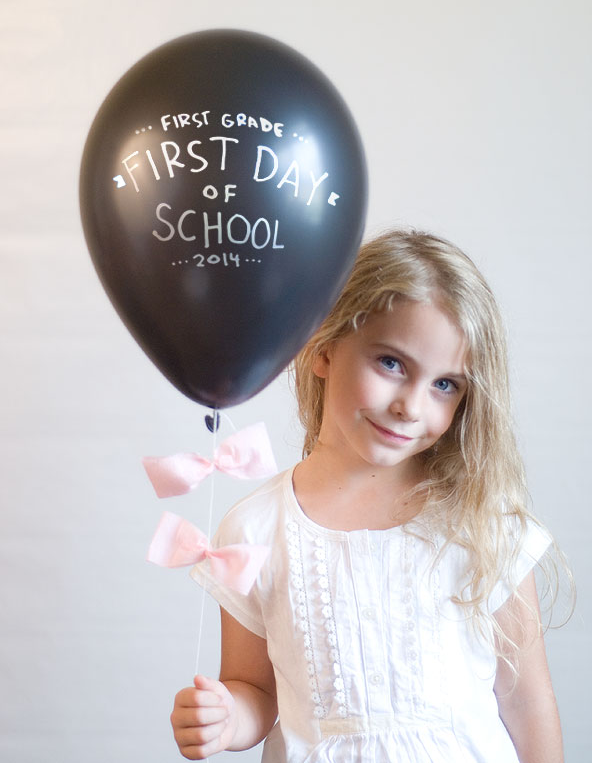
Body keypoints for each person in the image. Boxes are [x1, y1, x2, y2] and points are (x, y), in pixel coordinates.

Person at [170, 228, 568, 762]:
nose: (411, 405)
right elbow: (257, 691)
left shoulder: (479, 520)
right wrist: (226, 718)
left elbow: (526, 700)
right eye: (392, 363)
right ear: (324, 348)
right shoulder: (255, 529)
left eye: (445, 384)